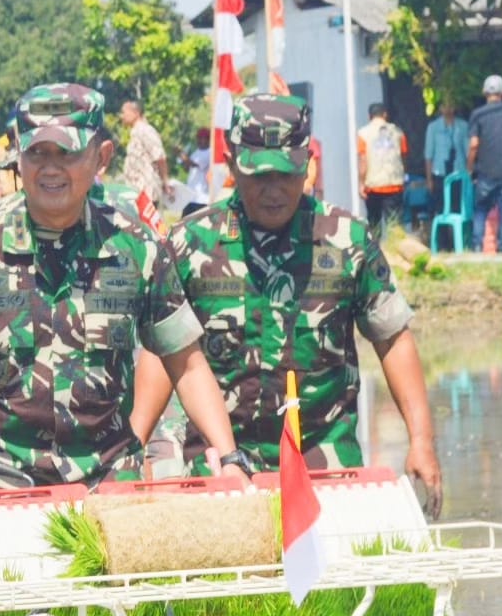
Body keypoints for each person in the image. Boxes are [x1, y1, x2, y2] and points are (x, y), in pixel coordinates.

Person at [0, 82, 244, 501]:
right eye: (37, 153)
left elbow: (186, 365)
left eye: (67, 153)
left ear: (101, 157)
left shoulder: (137, 247)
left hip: (107, 492)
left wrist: (230, 459)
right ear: (18, 156)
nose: (50, 168)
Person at [136, 93, 442, 517]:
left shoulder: (346, 241)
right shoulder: (190, 244)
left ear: (307, 165)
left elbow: (392, 339)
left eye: (287, 174)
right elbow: (166, 350)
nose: (275, 190)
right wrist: (135, 447)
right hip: (219, 460)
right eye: (260, 176)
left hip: (322, 456)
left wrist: (421, 440)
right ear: (232, 164)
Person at [468, 75, 502, 253]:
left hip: (485, 171)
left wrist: (469, 167)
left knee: (481, 208)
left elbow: (474, 144)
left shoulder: (478, 115)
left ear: (484, 92)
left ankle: (477, 245)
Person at [357, 102, 407, 231]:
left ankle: (374, 244)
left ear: (370, 116)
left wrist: (361, 183)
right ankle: (397, 244)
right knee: (395, 224)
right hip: (394, 184)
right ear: (385, 115)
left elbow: (363, 161)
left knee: (374, 223)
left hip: (373, 186)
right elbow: (403, 156)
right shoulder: (398, 132)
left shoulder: (363, 134)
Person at [423, 101, 470, 218]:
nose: (448, 109)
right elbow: (428, 155)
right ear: (440, 108)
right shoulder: (433, 127)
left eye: (450, 105)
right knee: (441, 209)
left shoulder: (463, 126)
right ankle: (443, 230)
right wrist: (429, 179)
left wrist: (469, 174)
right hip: (439, 173)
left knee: (458, 207)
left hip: (458, 172)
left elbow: (468, 152)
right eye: (444, 106)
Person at [120, 99, 168, 205]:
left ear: (136, 113)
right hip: (136, 192)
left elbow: (160, 157)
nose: (122, 116)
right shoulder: (135, 133)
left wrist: (165, 182)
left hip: (146, 192)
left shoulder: (145, 130)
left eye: (124, 112)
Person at [176, 127, 212, 215]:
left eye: (202, 138)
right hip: (190, 197)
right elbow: (187, 168)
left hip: (201, 198)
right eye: (198, 138)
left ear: (208, 139)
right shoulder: (196, 152)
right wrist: (181, 159)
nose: (199, 141)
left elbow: (194, 164)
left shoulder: (209, 153)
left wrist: (181, 154)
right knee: (185, 221)